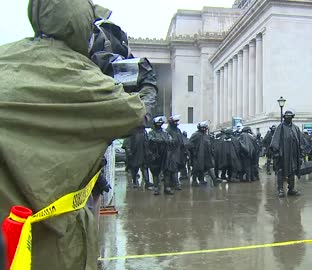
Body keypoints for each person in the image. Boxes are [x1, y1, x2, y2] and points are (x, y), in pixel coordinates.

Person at [0, 1, 145, 269]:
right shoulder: (81, 78)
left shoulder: (5, 57)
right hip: (48, 244)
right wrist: (147, 85)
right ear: (79, 25)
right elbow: (137, 115)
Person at [270, 110, 304, 197]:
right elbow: (275, 141)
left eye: (290, 117)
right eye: (287, 117)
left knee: (292, 170)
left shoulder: (295, 128)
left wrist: (301, 154)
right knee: (281, 171)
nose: (288, 119)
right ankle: (280, 189)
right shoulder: (280, 127)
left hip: (293, 154)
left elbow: (300, 141)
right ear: (284, 117)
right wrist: (276, 152)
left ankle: (291, 189)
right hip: (283, 154)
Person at [189, 121, 221, 186]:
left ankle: (213, 180)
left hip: (207, 155)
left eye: (205, 128)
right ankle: (194, 181)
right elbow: (190, 144)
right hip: (198, 155)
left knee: (209, 167)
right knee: (196, 168)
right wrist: (194, 152)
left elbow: (209, 144)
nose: (204, 129)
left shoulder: (206, 136)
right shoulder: (196, 134)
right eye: (203, 128)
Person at [148, 116, 172, 195]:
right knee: (155, 172)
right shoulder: (151, 132)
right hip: (155, 154)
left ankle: (167, 187)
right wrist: (159, 141)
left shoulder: (164, 132)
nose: (159, 125)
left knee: (167, 171)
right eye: (157, 123)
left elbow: (170, 139)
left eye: (160, 123)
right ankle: (156, 188)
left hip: (165, 154)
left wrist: (167, 140)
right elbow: (150, 139)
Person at [165, 115, 187, 193]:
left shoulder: (178, 130)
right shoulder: (168, 130)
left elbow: (182, 140)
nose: (177, 123)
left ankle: (174, 183)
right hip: (171, 152)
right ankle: (175, 183)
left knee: (176, 167)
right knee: (173, 168)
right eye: (175, 122)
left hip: (179, 152)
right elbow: (168, 141)